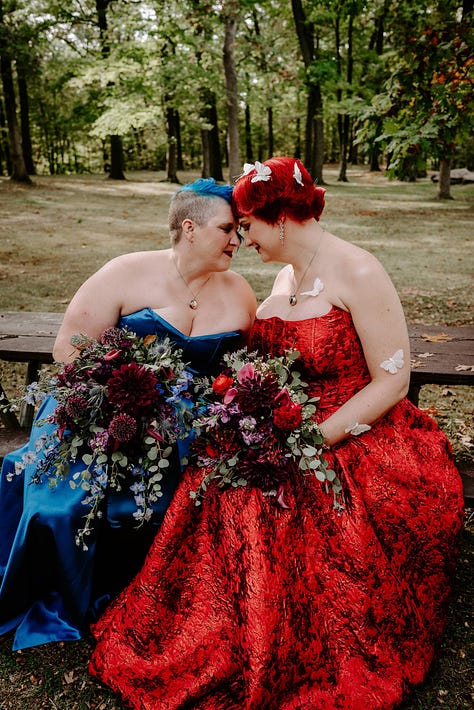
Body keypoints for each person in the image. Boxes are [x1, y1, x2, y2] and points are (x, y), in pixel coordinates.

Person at [88, 158, 464, 709]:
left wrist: (314, 440)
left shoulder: (358, 271)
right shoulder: (286, 277)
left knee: (282, 507)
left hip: (358, 432)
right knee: (221, 486)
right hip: (282, 426)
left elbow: (393, 381)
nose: (241, 238)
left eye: (247, 225)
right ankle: (217, 630)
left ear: (280, 217)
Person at [0, 178, 256, 651]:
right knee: (63, 506)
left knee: (179, 508)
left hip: (186, 431)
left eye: (239, 231)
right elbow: (68, 352)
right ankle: (59, 590)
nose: (238, 241)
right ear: (190, 228)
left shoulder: (240, 293)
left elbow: (239, 374)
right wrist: (121, 403)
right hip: (104, 414)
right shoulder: (124, 272)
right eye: (228, 230)